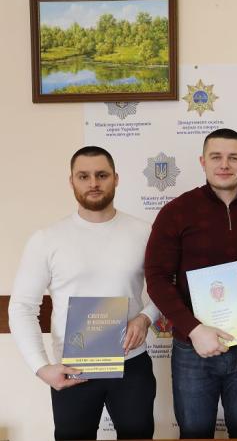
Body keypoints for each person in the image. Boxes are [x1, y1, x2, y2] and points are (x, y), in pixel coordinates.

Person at [144, 128, 237, 439]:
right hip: (192, 347)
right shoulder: (176, 212)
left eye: (234, 157)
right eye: (216, 157)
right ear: (203, 161)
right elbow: (156, 278)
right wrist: (194, 329)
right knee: (194, 434)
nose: (225, 164)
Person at [9, 146, 158, 440]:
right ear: (71, 181)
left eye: (102, 175)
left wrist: (145, 317)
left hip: (131, 363)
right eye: (84, 176)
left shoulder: (144, 233)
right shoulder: (47, 239)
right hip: (73, 369)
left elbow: (166, 288)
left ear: (116, 178)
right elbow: (22, 306)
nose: (93, 183)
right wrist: (41, 367)